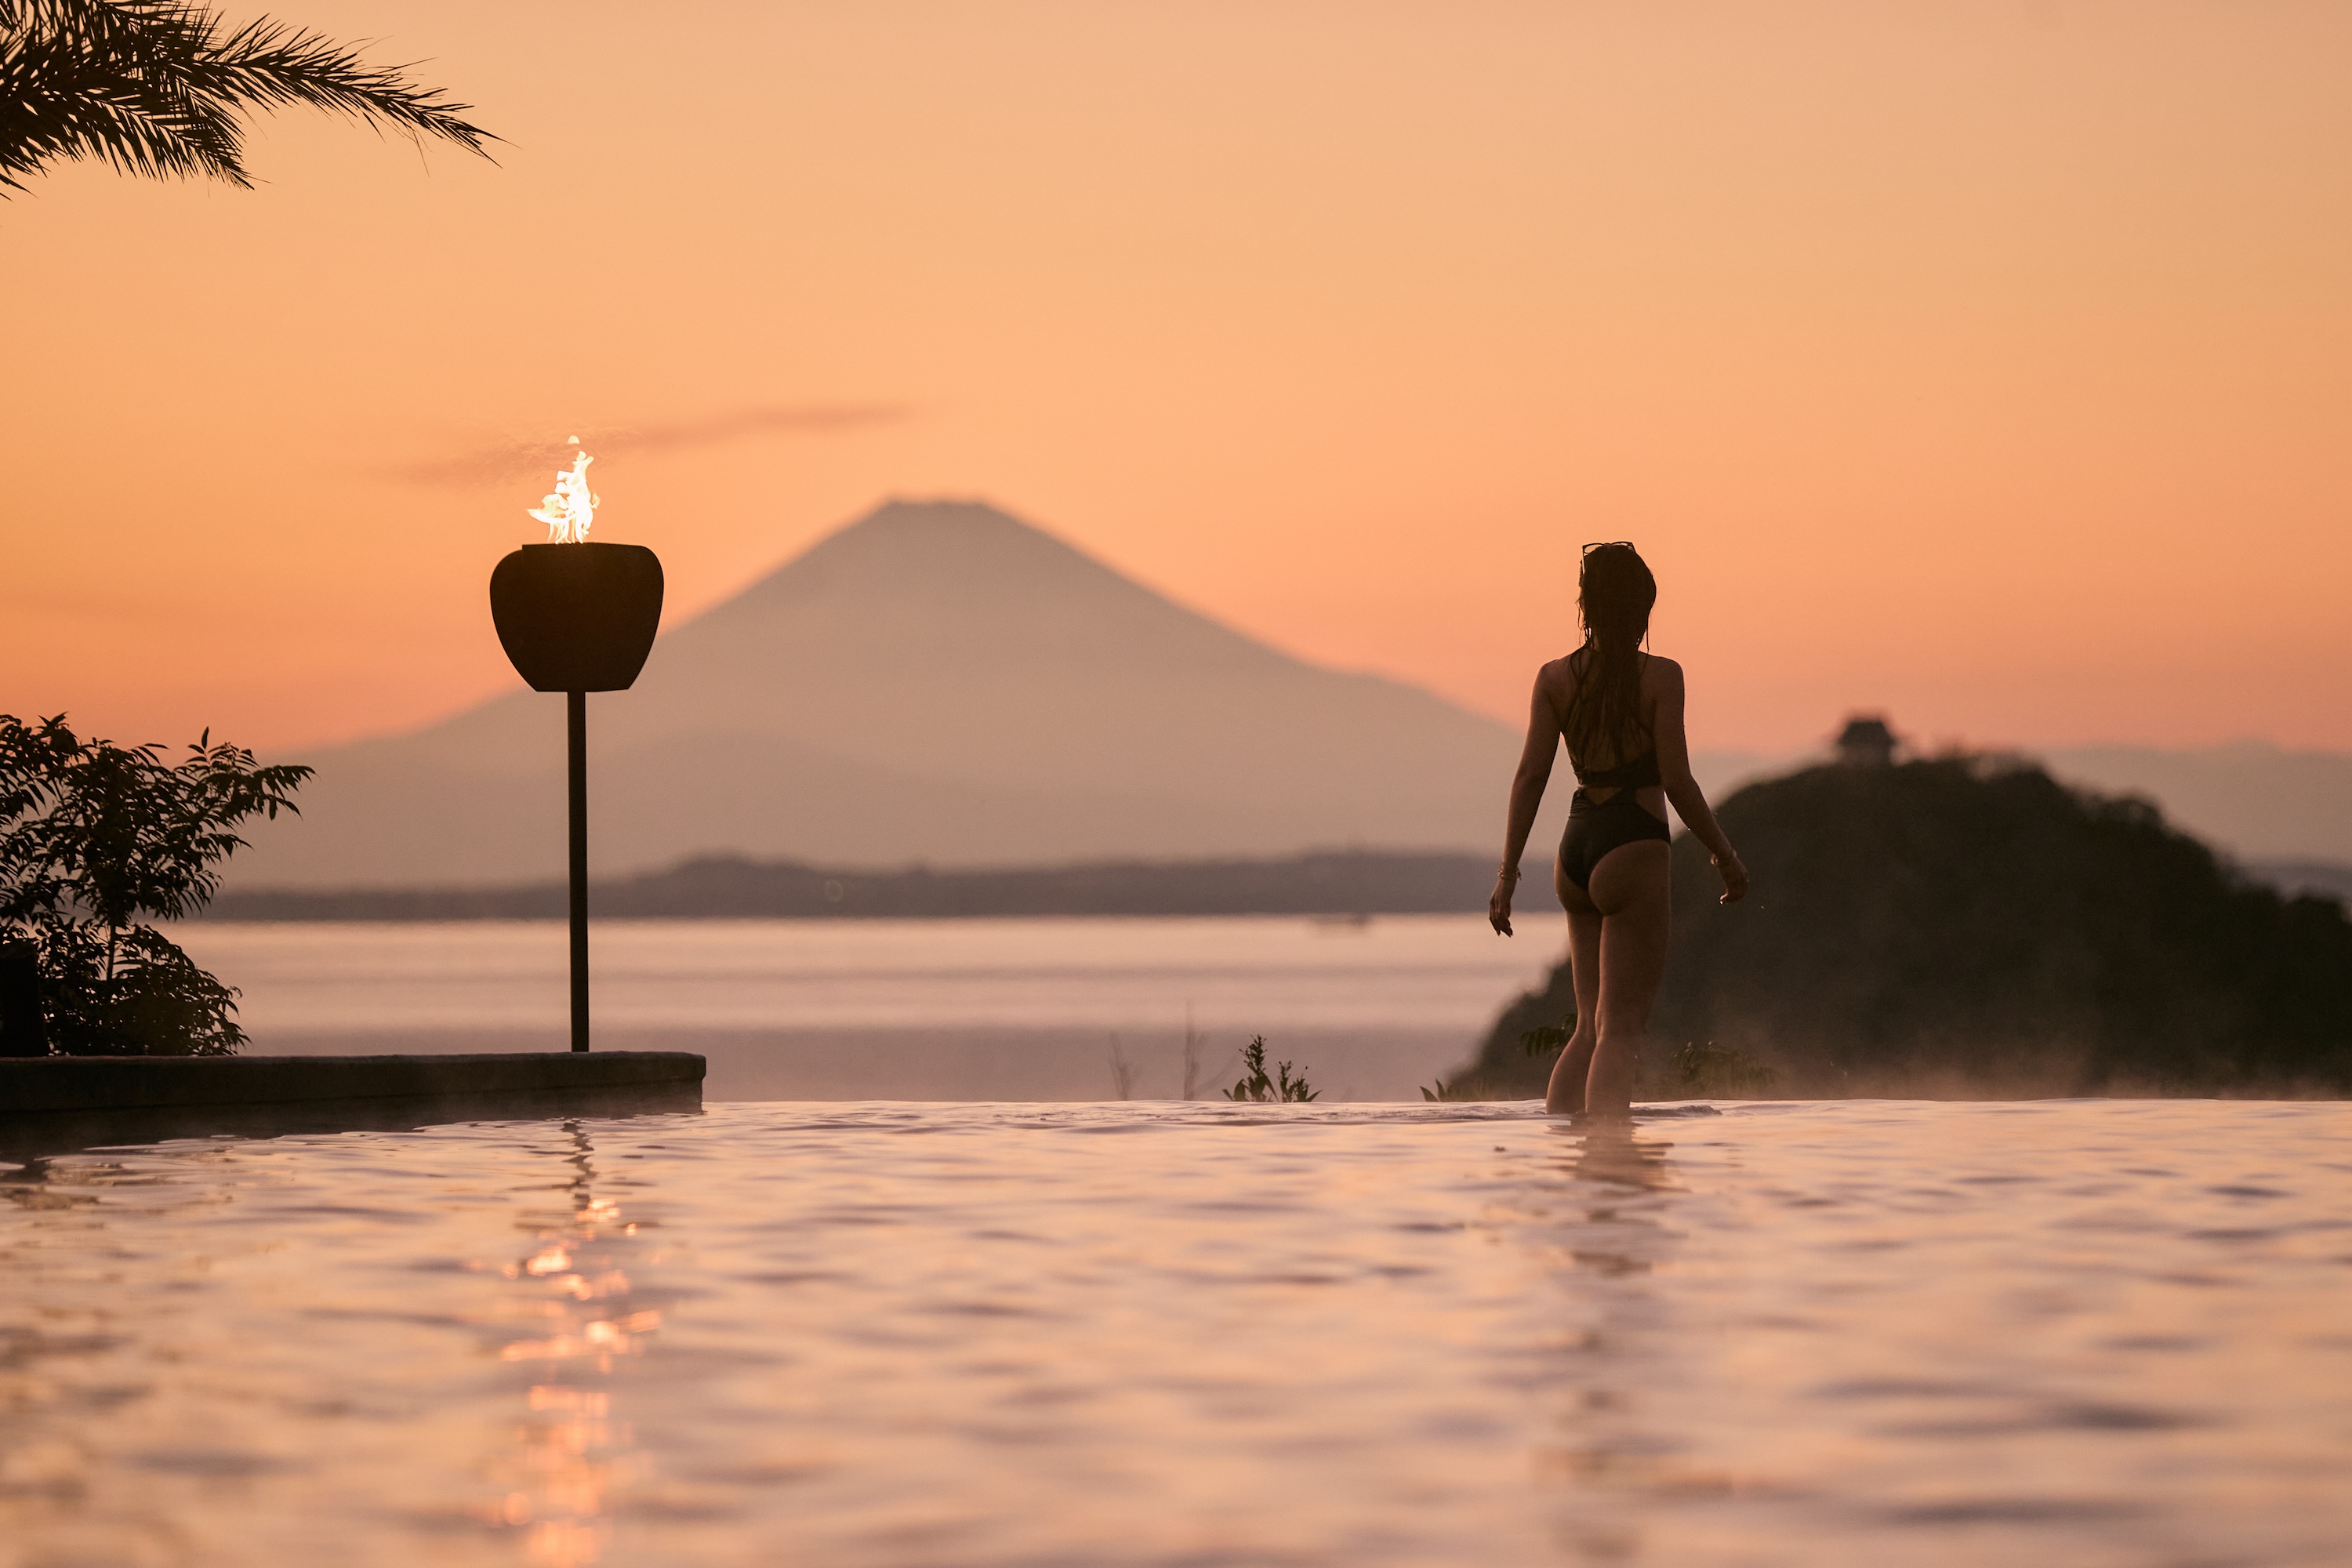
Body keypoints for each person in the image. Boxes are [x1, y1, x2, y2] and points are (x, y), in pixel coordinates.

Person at [1488, 542, 1748, 1119]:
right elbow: (1677, 782)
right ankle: (1610, 1173)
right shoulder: (1660, 677)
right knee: (1621, 1030)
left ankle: (1565, 1157)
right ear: (1641, 609)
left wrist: (1508, 875)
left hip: (1576, 849)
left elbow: (1531, 776)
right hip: (1632, 844)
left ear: (1587, 605)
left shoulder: (1555, 679)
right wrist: (1724, 855)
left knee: (1588, 1028)